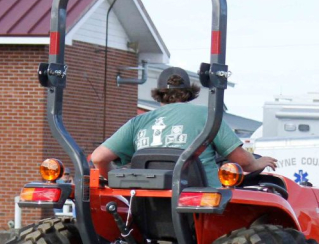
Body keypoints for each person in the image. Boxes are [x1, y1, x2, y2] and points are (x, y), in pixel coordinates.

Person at [90, 68, 278, 183]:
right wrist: (257, 163)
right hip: (200, 204)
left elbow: (98, 158)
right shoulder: (207, 116)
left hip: (148, 208)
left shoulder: (138, 122)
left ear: (159, 94)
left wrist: (115, 179)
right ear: (189, 93)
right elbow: (242, 161)